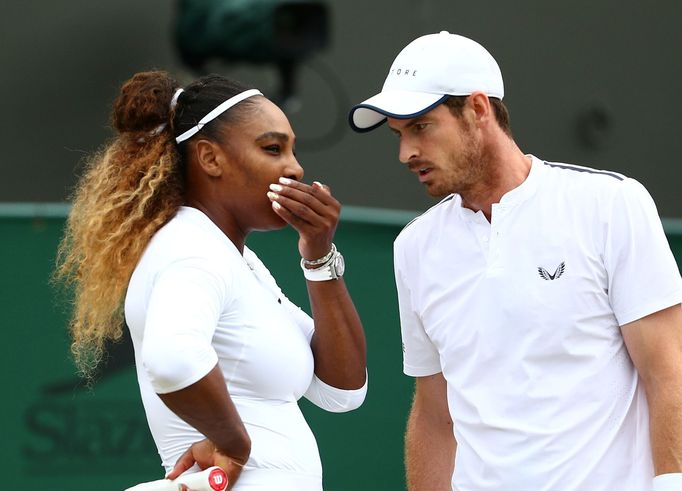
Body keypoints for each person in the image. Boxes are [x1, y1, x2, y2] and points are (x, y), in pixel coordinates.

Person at [348, 31, 682, 491]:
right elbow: (434, 414)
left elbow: (669, 370)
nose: (406, 153)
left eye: (421, 127)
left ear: (478, 110)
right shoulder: (414, 247)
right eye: (398, 135)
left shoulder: (610, 205)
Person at [55, 70, 367, 490]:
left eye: (293, 150)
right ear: (210, 158)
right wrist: (234, 445)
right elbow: (172, 360)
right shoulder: (190, 248)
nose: (295, 167)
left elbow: (342, 390)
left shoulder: (235, 258)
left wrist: (319, 253)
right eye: (273, 148)